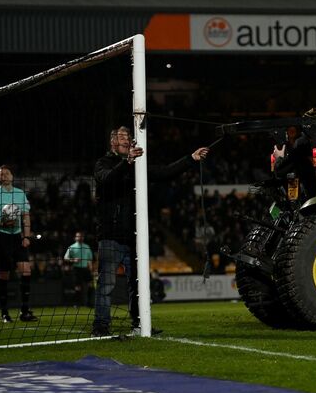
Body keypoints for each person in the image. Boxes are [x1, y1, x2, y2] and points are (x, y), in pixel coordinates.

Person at [91, 126, 209, 336]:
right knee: (106, 283)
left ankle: (139, 324)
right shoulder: (103, 163)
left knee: (138, 285)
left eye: (128, 136)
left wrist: (190, 158)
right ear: (112, 142)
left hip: (135, 237)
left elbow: (164, 172)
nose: (126, 139)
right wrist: (126, 163)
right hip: (110, 235)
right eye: (121, 137)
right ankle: (100, 326)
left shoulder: (138, 164)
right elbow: (106, 179)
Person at [0, 164, 37, 323]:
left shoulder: (20, 194)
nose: (5, 175)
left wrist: (26, 237)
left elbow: (26, 216)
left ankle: (25, 311)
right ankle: (5, 313)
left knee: (26, 270)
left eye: (7, 173)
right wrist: (1, 223)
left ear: (12, 176)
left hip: (17, 237)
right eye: (2, 174)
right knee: (4, 275)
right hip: (1, 237)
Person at [63, 231, 94, 307]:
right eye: (78, 236)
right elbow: (65, 258)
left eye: (81, 236)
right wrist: (73, 260)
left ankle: (89, 303)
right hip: (76, 269)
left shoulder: (87, 246)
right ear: (75, 238)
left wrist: (90, 268)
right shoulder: (72, 247)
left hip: (85, 269)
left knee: (90, 285)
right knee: (78, 287)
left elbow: (90, 259)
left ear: (83, 237)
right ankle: (77, 303)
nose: (80, 238)